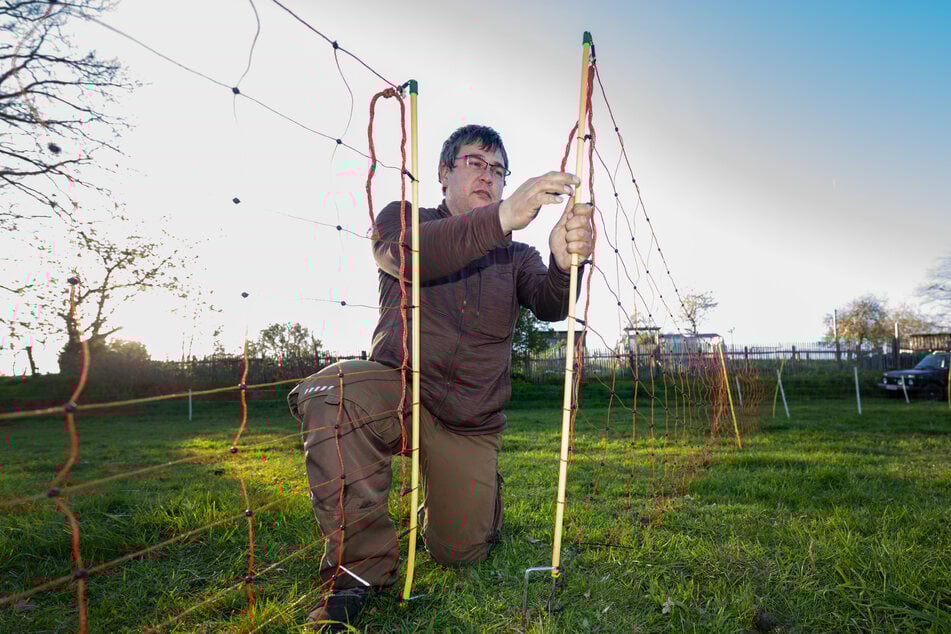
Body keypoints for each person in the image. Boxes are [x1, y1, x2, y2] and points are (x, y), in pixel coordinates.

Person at [286, 124, 594, 630]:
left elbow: (550, 302)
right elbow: (408, 253)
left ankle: (477, 499)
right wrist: (502, 217)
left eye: (498, 170)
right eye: (475, 163)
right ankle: (358, 572)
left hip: (468, 418)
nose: (489, 176)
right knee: (335, 392)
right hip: (398, 391)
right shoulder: (403, 219)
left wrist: (564, 264)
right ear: (444, 173)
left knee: (461, 551)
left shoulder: (516, 256)